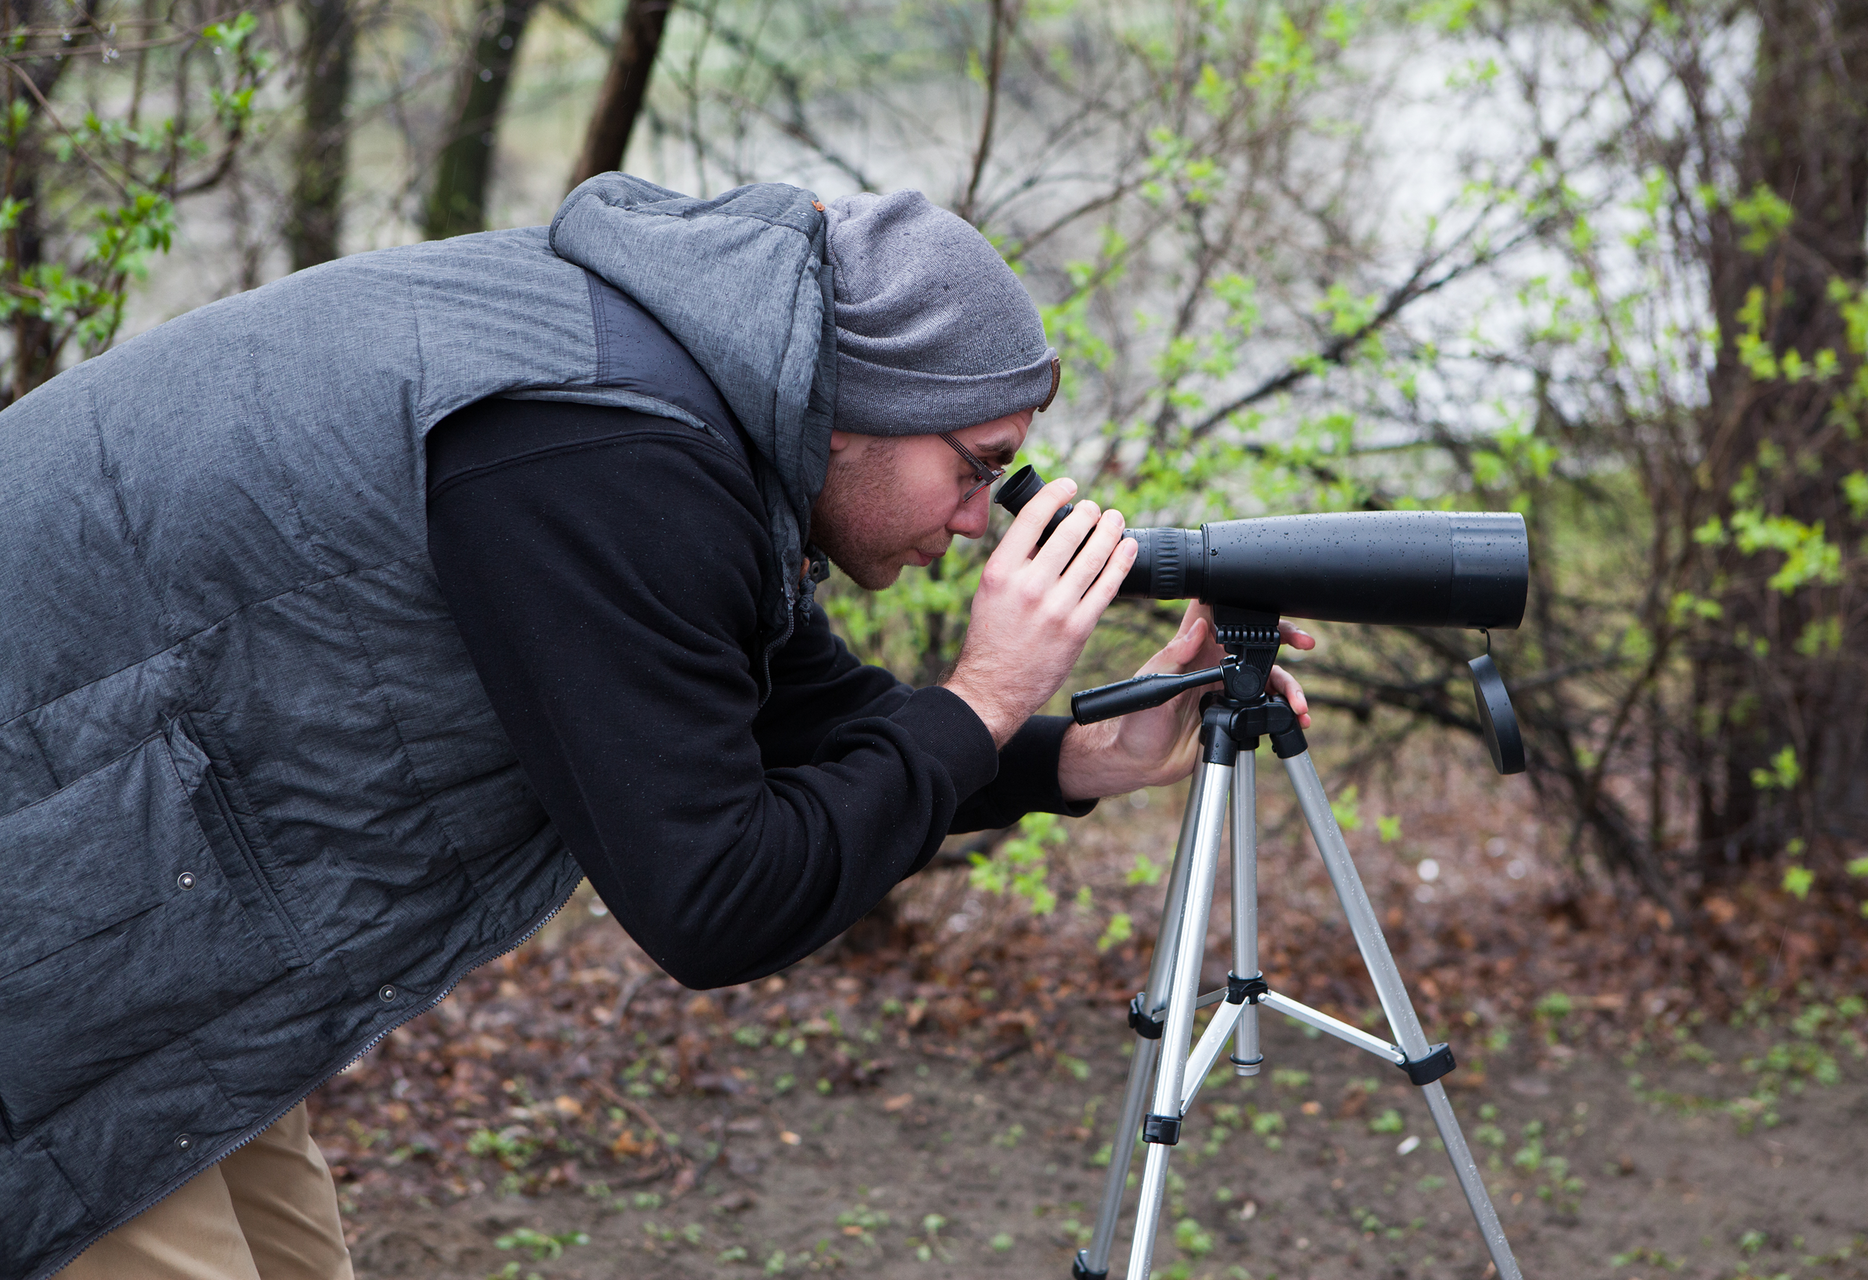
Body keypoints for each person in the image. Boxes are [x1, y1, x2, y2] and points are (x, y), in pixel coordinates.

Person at [0, 176, 1309, 1280]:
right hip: (60, 905)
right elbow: (716, 899)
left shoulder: (694, 417)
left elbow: (808, 722)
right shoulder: (606, 458)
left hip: (157, 904)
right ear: (851, 410)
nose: (986, 518)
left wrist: (1072, 751)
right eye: (977, 465)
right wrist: (982, 695)